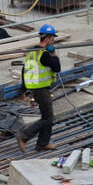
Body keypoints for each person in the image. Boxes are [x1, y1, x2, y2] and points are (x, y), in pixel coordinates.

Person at [16, 24, 60, 154]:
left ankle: (42, 144)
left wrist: (24, 90)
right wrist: (54, 54)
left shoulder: (31, 53)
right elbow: (57, 68)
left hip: (35, 89)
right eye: (52, 38)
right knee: (47, 118)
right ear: (47, 38)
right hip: (41, 89)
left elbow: (25, 71)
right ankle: (23, 136)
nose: (53, 41)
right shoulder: (45, 55)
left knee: (48, 117)